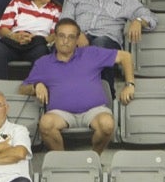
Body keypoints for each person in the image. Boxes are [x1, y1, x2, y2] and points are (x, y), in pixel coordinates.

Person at [20, 18, 135, 152]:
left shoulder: (91, 53)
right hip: (60, 113)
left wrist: (129, 84)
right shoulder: (43, 62)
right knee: (46, 124)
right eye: (61, 36)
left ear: (77, 40)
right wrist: (36, 86)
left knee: (107, 124)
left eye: (71, 37)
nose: (65, 41)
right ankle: (62, 160)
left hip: (94, 111)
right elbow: (23, 88)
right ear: (54, 37)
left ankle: (93, 158)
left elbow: (125, 56)